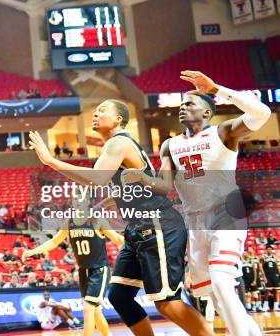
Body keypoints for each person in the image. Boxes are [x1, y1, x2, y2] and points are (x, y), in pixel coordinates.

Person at [28, 99, 213, 336]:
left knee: (166, 303)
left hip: (156, 223)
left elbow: (97, 179)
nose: (96, 115)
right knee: (119, 296)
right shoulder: (114, 147)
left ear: (118, 119)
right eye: (94, 112)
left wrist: (51, 161)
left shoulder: (119, 142)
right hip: (138, 227)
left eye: (102, 110)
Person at [125, 71, 271, 336]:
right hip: (194, 221)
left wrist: (217, 88)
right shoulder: (170, 144)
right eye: (182, 105)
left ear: (207, 113)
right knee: (215, 295)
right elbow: (164, 186)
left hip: (227, 213)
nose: (183, 107)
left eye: (191, 104)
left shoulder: (223, 133)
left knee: (222, 283)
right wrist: (140, 178)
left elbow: (261, 113)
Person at [23, 201, 123, 336]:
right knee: (96, 311)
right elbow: (54, 242)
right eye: (76, 201)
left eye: (82, 201)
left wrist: (136, 245)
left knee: (88, 309)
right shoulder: (69, 222)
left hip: (98, 270)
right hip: (83, 271)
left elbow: (117, 239)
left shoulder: (97, 220)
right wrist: (32, 251)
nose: (79, 204)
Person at [262, 246, 279, 311]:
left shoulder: (274, 257)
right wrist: (264, 276)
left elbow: (277, 267)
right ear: (266, 250)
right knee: (267, 291)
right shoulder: (264, 257)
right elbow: (261, 268)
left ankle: (276, 306)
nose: (269, 250)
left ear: (272, 250)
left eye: (270, 249)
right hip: (267, 275)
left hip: (274, 275)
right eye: (268, 249)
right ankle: (266, 306)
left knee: (276, 291)